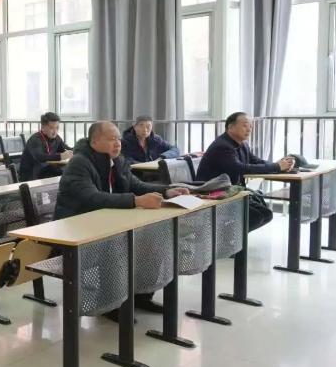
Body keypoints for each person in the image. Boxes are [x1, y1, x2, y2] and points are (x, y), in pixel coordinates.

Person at [55, 121, 191, 318]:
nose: (117, 143)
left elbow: (136, 185)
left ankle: (141, 294)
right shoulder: (79, 163)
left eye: (118, 139)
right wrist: (136, 201)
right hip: (77, 231)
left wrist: (167, 191)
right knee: (117, 246)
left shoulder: (117, 160)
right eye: (111, 139)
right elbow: (92, 198)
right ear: (94, 141)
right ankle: (109, 304)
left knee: (154, 239)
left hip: (107, 224)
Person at [195, 112, 294, 232]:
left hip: (232, 192)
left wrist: (280, 165)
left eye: (251, 126)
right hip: (214, 194)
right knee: (256, 216)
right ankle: (225, 238)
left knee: (266, 214)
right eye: (245, 125)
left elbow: (256, 161)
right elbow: (241, 168)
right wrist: (277, 167)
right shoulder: (222, 146)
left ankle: (230, 238)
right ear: (230, 127)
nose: (249, 129)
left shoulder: (243, 145)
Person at [18, 112, 73, 181]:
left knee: (71, 172)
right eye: (51, 128)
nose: (55, 131)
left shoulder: (56, 138)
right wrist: (60, 156)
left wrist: (78, 150)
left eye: (57, 128)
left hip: (45, 172)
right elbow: (40, 157)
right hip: (31, 176)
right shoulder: (35, 139)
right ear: (43, 127)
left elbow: (66, 149)